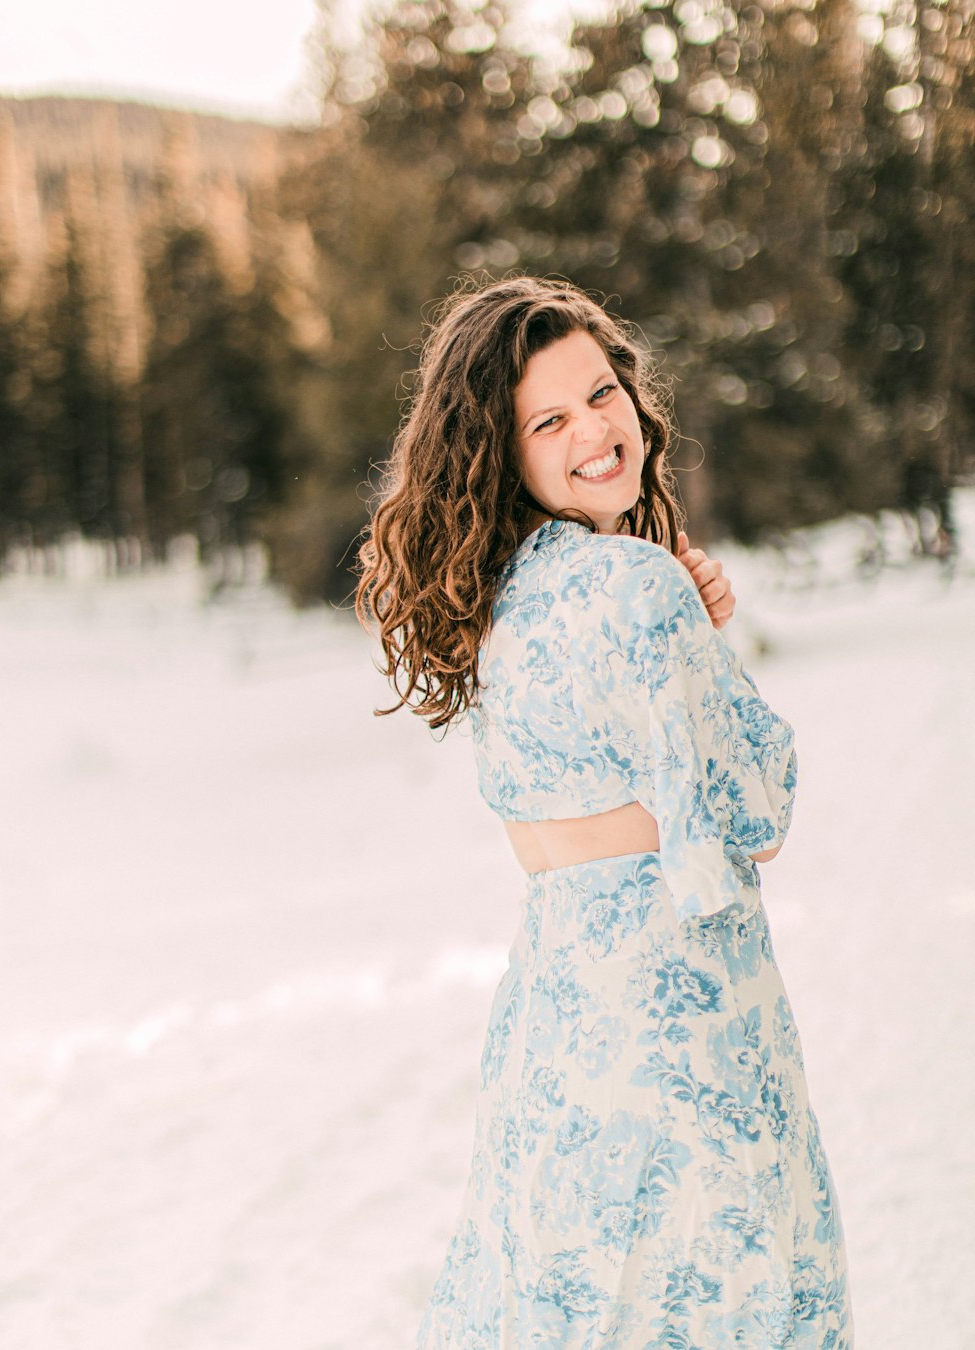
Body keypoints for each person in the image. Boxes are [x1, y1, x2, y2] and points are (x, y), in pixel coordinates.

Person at [356, 276, 852, 1347]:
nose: (595, 427)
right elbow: (756, 809)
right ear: (505, 449)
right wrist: (701, 635)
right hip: (684, 1028)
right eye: (550, 417)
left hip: (557, 1029)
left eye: (602, 391)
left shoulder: (493, 603)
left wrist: (684, 628)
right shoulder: (635, 587)